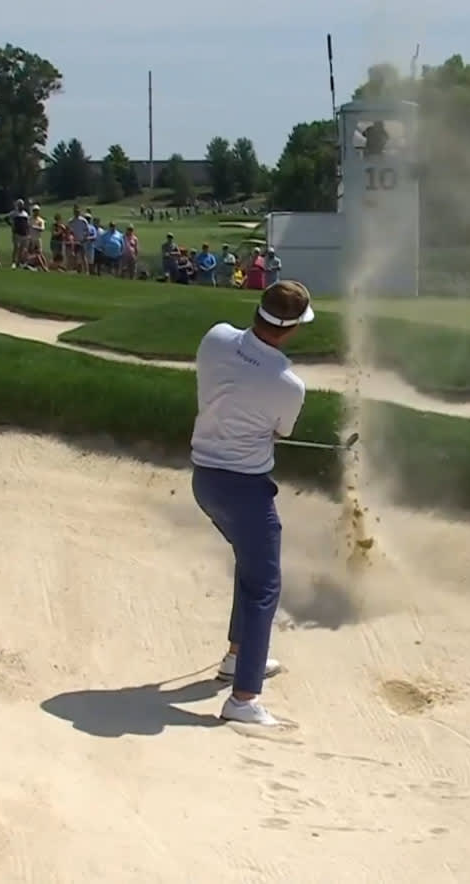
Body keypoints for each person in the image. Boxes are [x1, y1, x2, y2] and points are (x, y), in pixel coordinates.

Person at [189, 281, 317, 727]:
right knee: (265, 584)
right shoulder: (287, 383)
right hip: (245, 488)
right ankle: (243, 698)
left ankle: (238, 656)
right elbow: (281, 431)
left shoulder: (215, 336)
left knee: (251, 563)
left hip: (204, 480)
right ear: (293, 328)